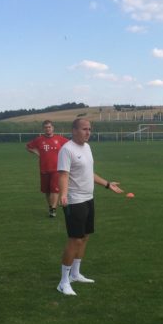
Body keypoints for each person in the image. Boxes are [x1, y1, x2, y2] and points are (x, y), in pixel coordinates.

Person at [55, 118, 123, 296]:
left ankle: (75, 274)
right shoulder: (67, 150)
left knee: (85, 237)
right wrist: (63, 194)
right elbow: (63, 175)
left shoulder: (87, 147)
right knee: (75, 240)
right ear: (74, 130)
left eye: (90, 129)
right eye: (84, 129)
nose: (88, 132)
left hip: (88, 199)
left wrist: (108, 184)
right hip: (74, 201)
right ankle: (63, 282)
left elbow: (88, 173)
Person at [26, 120, 69, 218]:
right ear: (43, 129)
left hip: (56, 169)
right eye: (46, 127)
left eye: (49, 127)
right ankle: (51, 207)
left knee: (54, 189)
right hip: (44, 169)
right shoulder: (39, 140)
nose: (48, 129)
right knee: (47, 191)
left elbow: (70, 145)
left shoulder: (60, 139)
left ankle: (53, 209)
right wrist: (37, 152)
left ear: (52, 128)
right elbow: (28, 147)